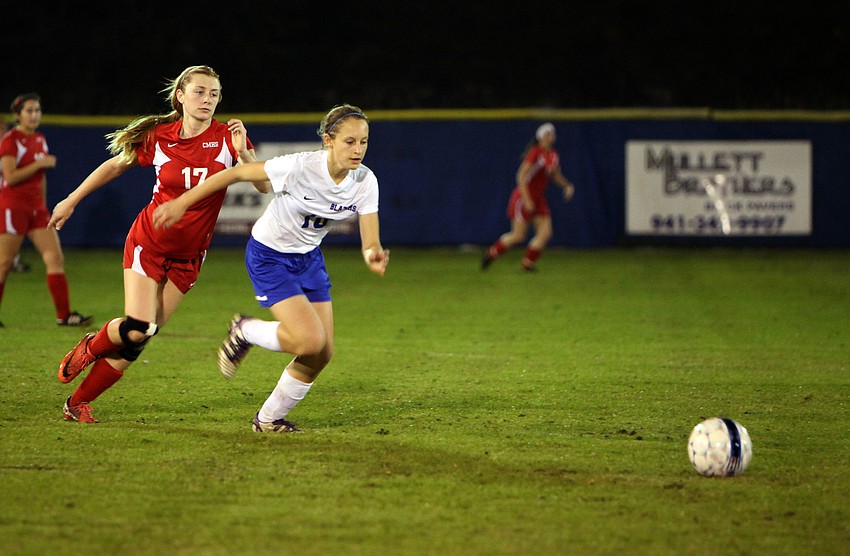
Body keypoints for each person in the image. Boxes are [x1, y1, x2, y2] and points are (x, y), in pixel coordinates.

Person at [152, 103, 389, 433]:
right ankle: (246, 330)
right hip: (269, 256)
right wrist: (182, 201)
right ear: (328, 140)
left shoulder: (364, 180)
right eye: (349, 141)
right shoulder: (300, 166)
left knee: (322, 353)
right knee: (309, 342)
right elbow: (235, 174)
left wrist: (372, 253)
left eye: (363, 142)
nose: (358, 149)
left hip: (308, 259)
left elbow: (370, 240)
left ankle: (267, 420)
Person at [49, 65, 267, 423]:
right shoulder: (161, 136)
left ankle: (76, 404)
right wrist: (71, 199)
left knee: (141, 338)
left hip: (189, 255)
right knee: (138, 326)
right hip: (148, 242)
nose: (207, 100)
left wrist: (244, 153)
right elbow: (115, 166)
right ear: (180, 95)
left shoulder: (229, 137)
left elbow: (263, 185)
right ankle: (91, 345)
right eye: (199, 92)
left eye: (214, 94)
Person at [0, 93, 92, 328]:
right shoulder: (11, 140)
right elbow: (10, 177)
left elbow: (40, 178)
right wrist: (39, 163)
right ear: (18, 114)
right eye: (29, 110)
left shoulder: (40, 139)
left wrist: (43, 204)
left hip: (36, 209)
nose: (34, 115)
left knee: (55, 258)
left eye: (37, 110)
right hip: (13, 207)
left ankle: (64, 316)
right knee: (4, 263)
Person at [481, 122, 574, 272]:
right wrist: (527, 199)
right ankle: (491, 253)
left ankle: (527, 263)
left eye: (552, 133)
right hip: (523, 198)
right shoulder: (535, 153)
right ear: (540, 137)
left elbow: (555, 175)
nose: (551, 136)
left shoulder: (553, 155)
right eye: (548, 133)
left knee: (545, 233)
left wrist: (567, 185)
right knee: (518, 236)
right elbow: (521, 176)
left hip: (538, 198)